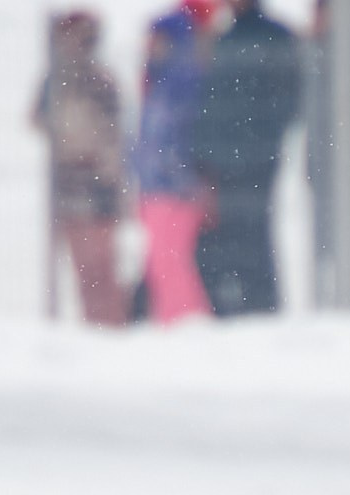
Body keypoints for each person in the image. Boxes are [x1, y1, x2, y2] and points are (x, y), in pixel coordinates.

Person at [189, 0, 297, 317]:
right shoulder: (223, 40)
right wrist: (206, 156)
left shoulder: (274, 38)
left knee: (254, 234)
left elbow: (286, 100)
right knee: (223, 239)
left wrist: (254, 140)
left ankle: (261, 308)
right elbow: (209, 104)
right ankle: (233, 309)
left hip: (255, 161)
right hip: (222, 164)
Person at [34, 9, 127, 326]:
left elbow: (112, 136)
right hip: (69, 183)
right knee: (84, 269)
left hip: (97, 184)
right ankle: (95, 326)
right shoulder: (56, 82)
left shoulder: (100, 81)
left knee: (102, 267)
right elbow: (38, 119)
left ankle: (112, 326)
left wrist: (106, 172)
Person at [127, 4, 211, 323]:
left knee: (170, 260)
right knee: (160, 261)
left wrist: (177, 175)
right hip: (155, 186)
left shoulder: (182, 81)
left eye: (158, 38)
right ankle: (174, 321)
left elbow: (181, 136)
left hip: (174, 188)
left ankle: (186, 322)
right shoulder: (159, 78)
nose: (152, 45)